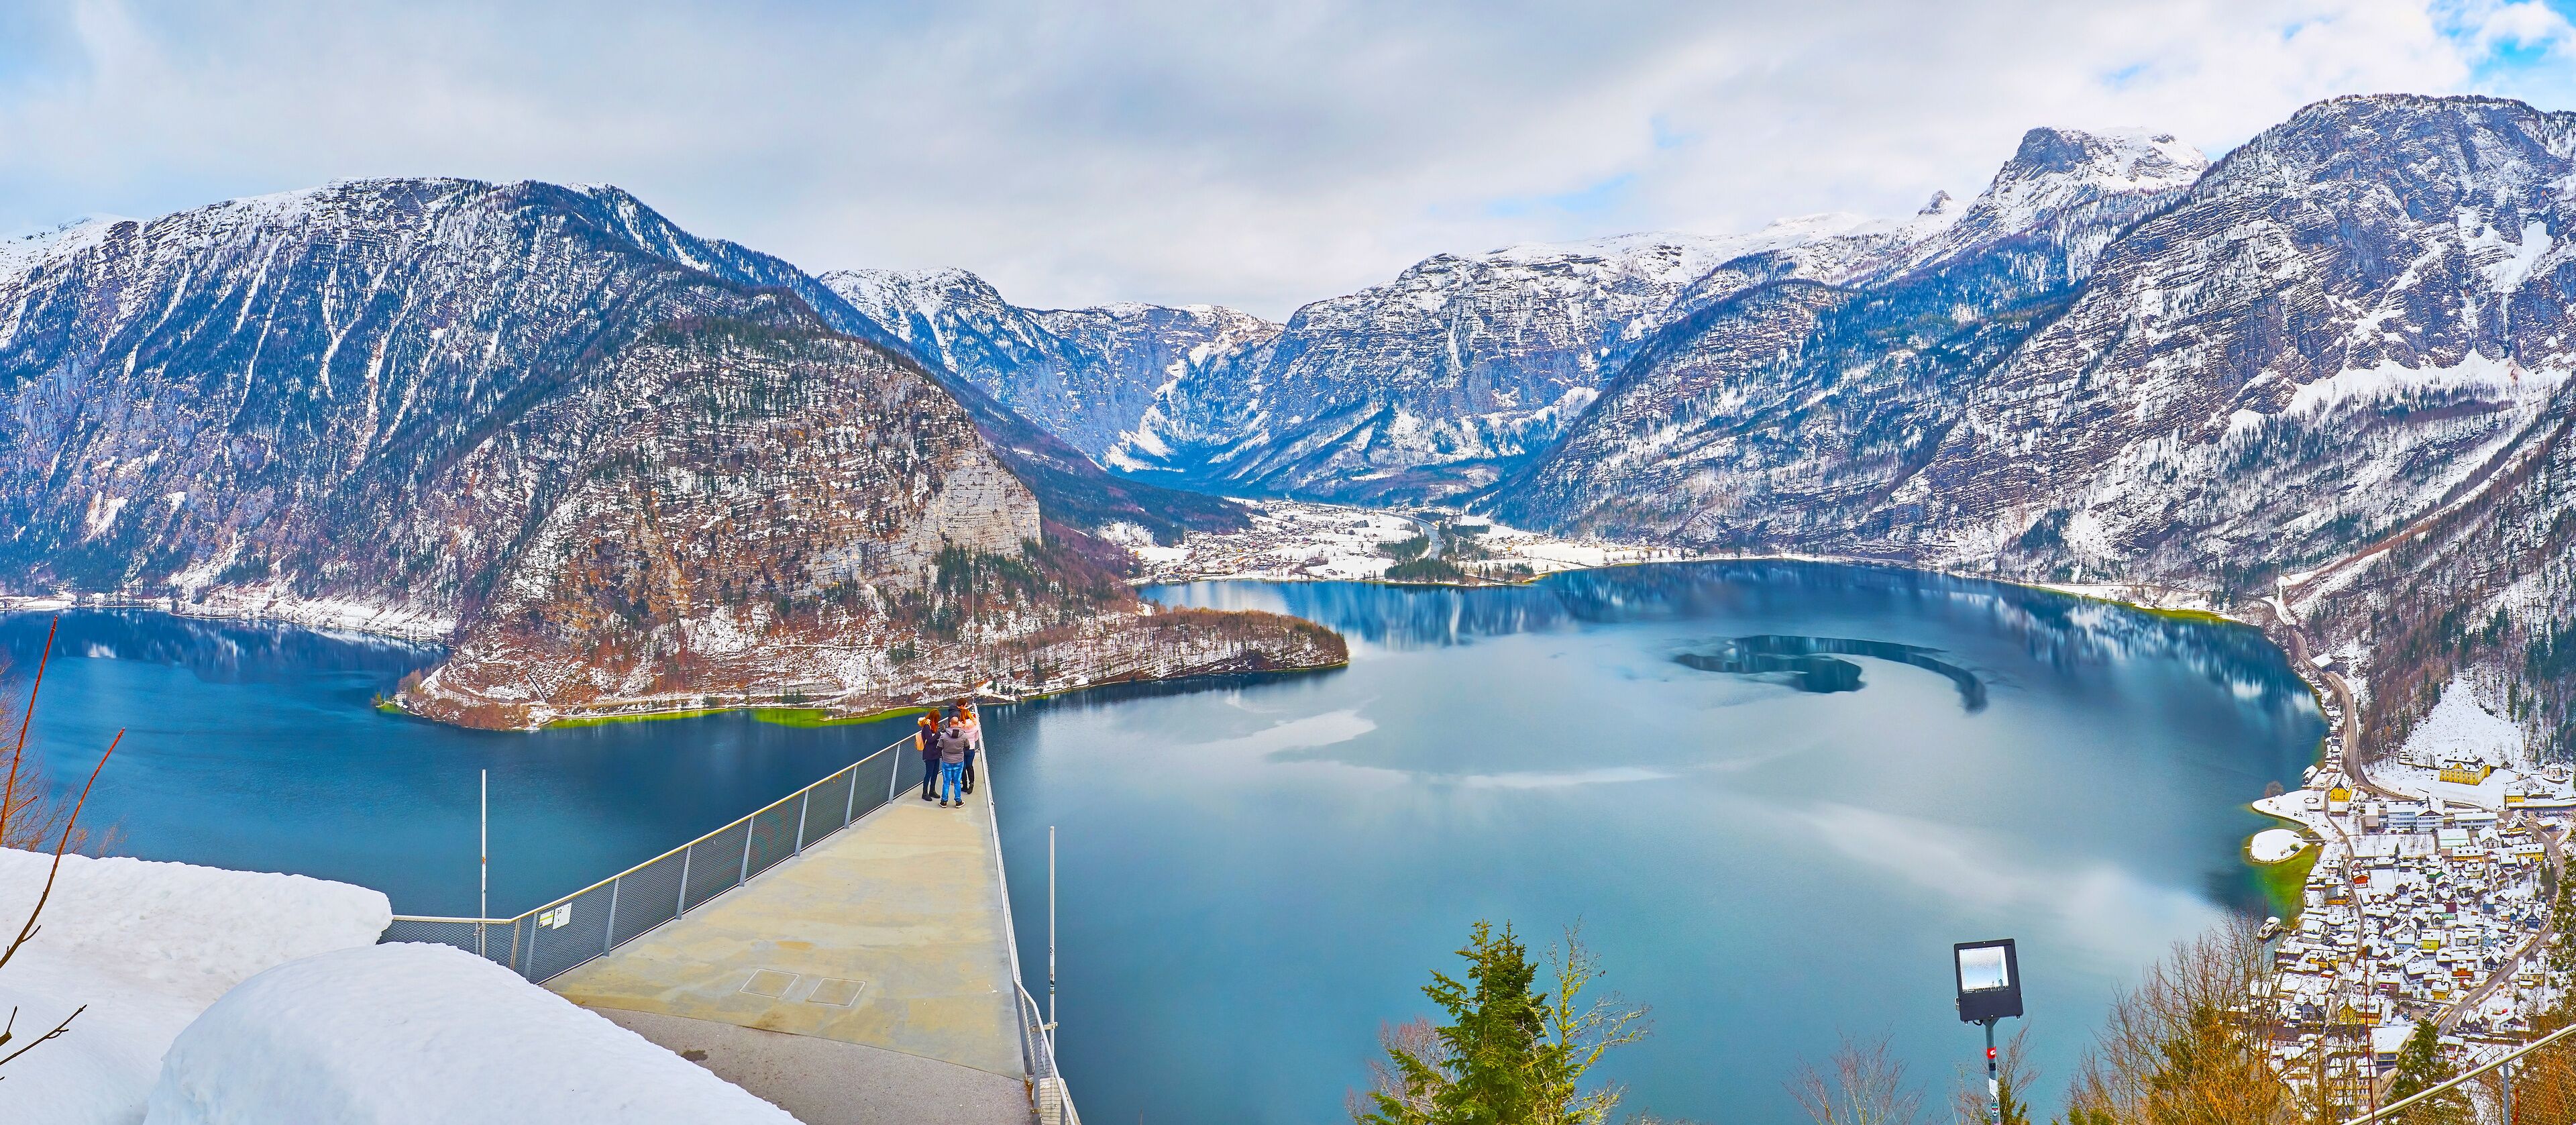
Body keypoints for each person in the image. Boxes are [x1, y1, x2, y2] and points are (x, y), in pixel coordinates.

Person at [936, 712, 971, 807]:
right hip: (959, 761)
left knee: (946, 782)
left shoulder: (943, 735)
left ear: (950, 724)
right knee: (957, 782)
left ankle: (944, 801)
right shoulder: (964, 735)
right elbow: (967, 747)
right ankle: (958, 801)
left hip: (947, 761)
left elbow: (939, 748)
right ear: (958, 723)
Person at [915, 709, 943, 802]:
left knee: (935, 773)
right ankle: (925, 793)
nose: (937, 721)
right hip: (929, 754)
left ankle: (932, 791)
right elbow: (930, 740)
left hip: (935, 753)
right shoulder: (927, 726)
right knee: (929, 773)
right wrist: (939, 734)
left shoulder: (932, 726)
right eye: (936, 719)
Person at [957, 700, 982, 794]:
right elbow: (976, 737)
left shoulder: (960, 727)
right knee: (970, 766)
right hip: (971, 748)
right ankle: (972, 783)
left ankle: (965, 786)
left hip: (962, 749)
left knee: (962, 768)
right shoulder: (975, 726)